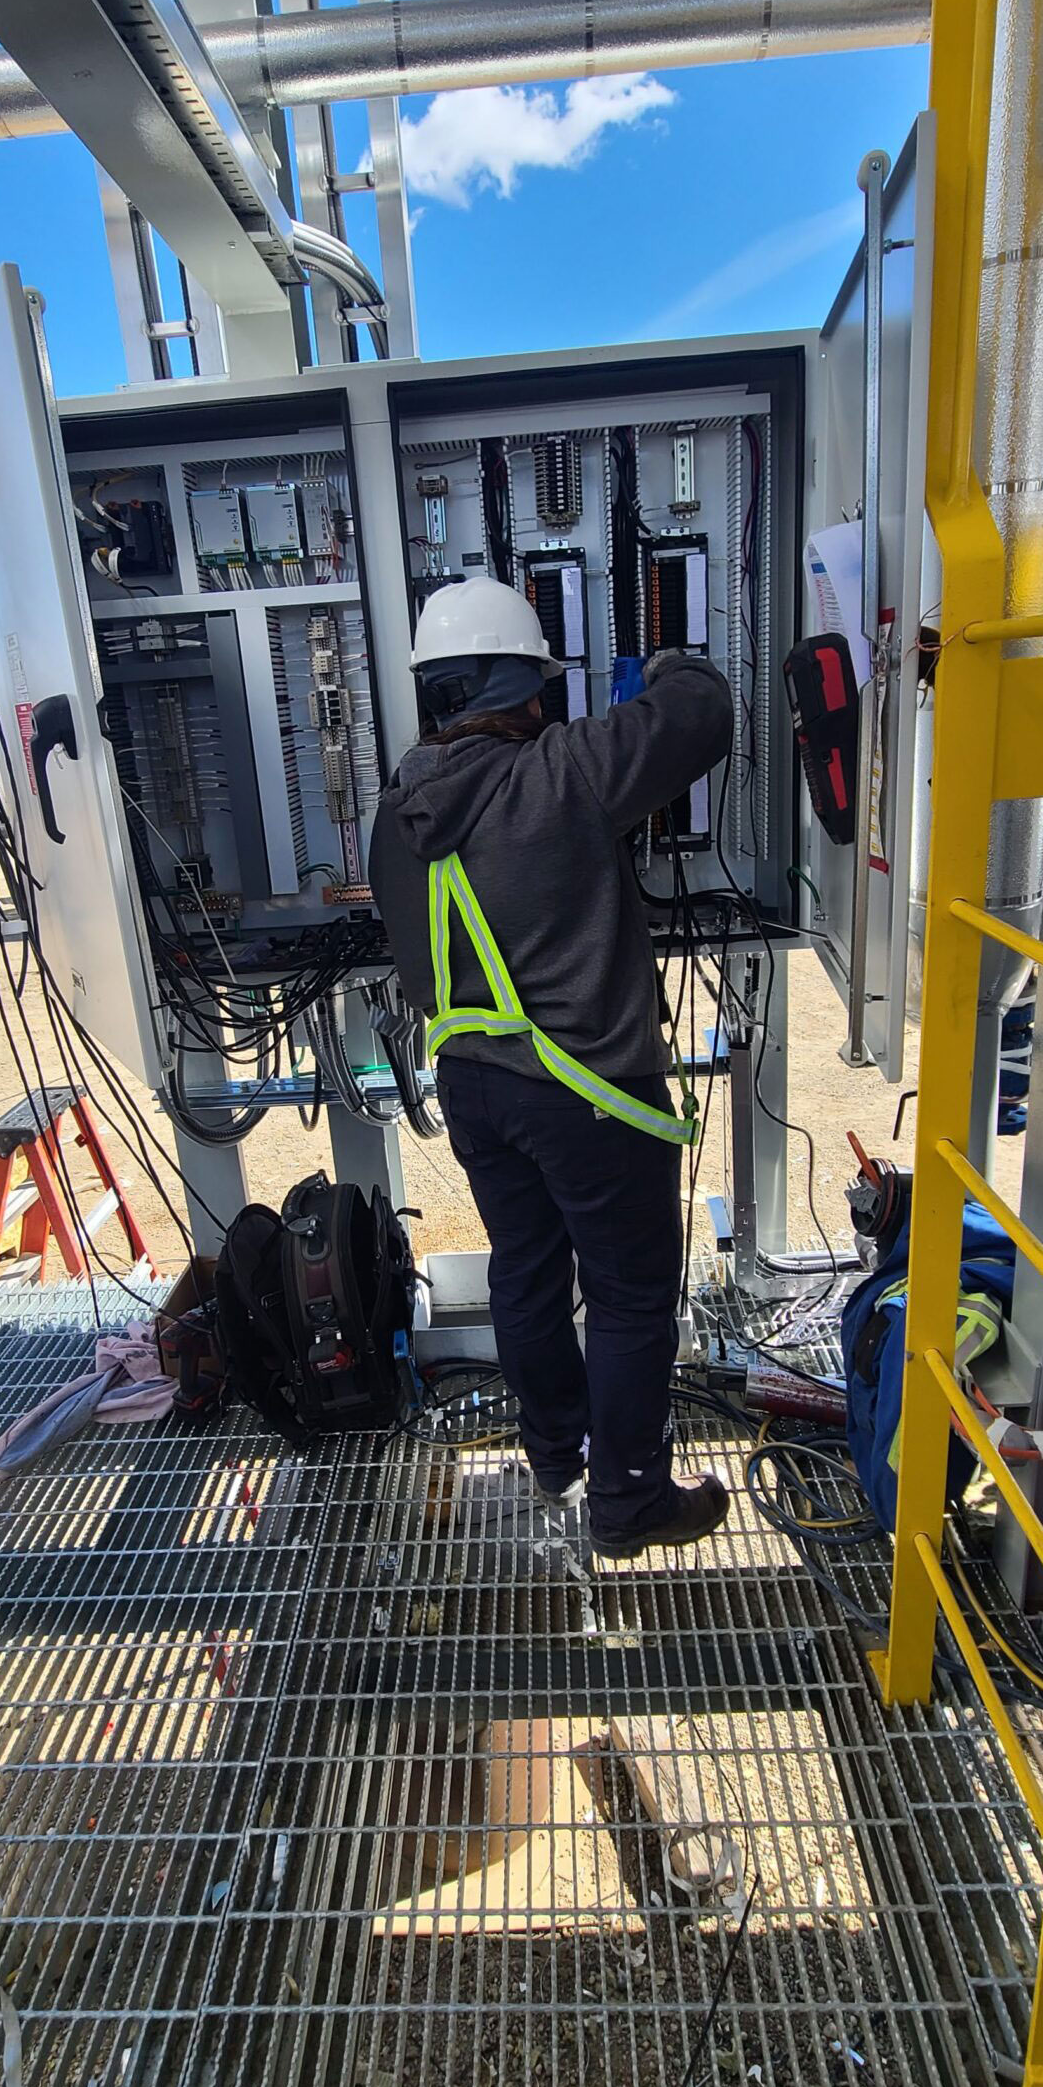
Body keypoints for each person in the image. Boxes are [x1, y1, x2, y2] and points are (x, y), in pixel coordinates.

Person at [368, 576, 735, 1560]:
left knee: (525, 1275)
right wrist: (665, 663)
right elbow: (700, 713)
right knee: (627, 1294)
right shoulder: (561, 773)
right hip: (586, 1093)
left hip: (473, 1085)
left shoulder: (395, 811)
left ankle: (553, 1454)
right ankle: (628, 1500)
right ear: (521, 686)